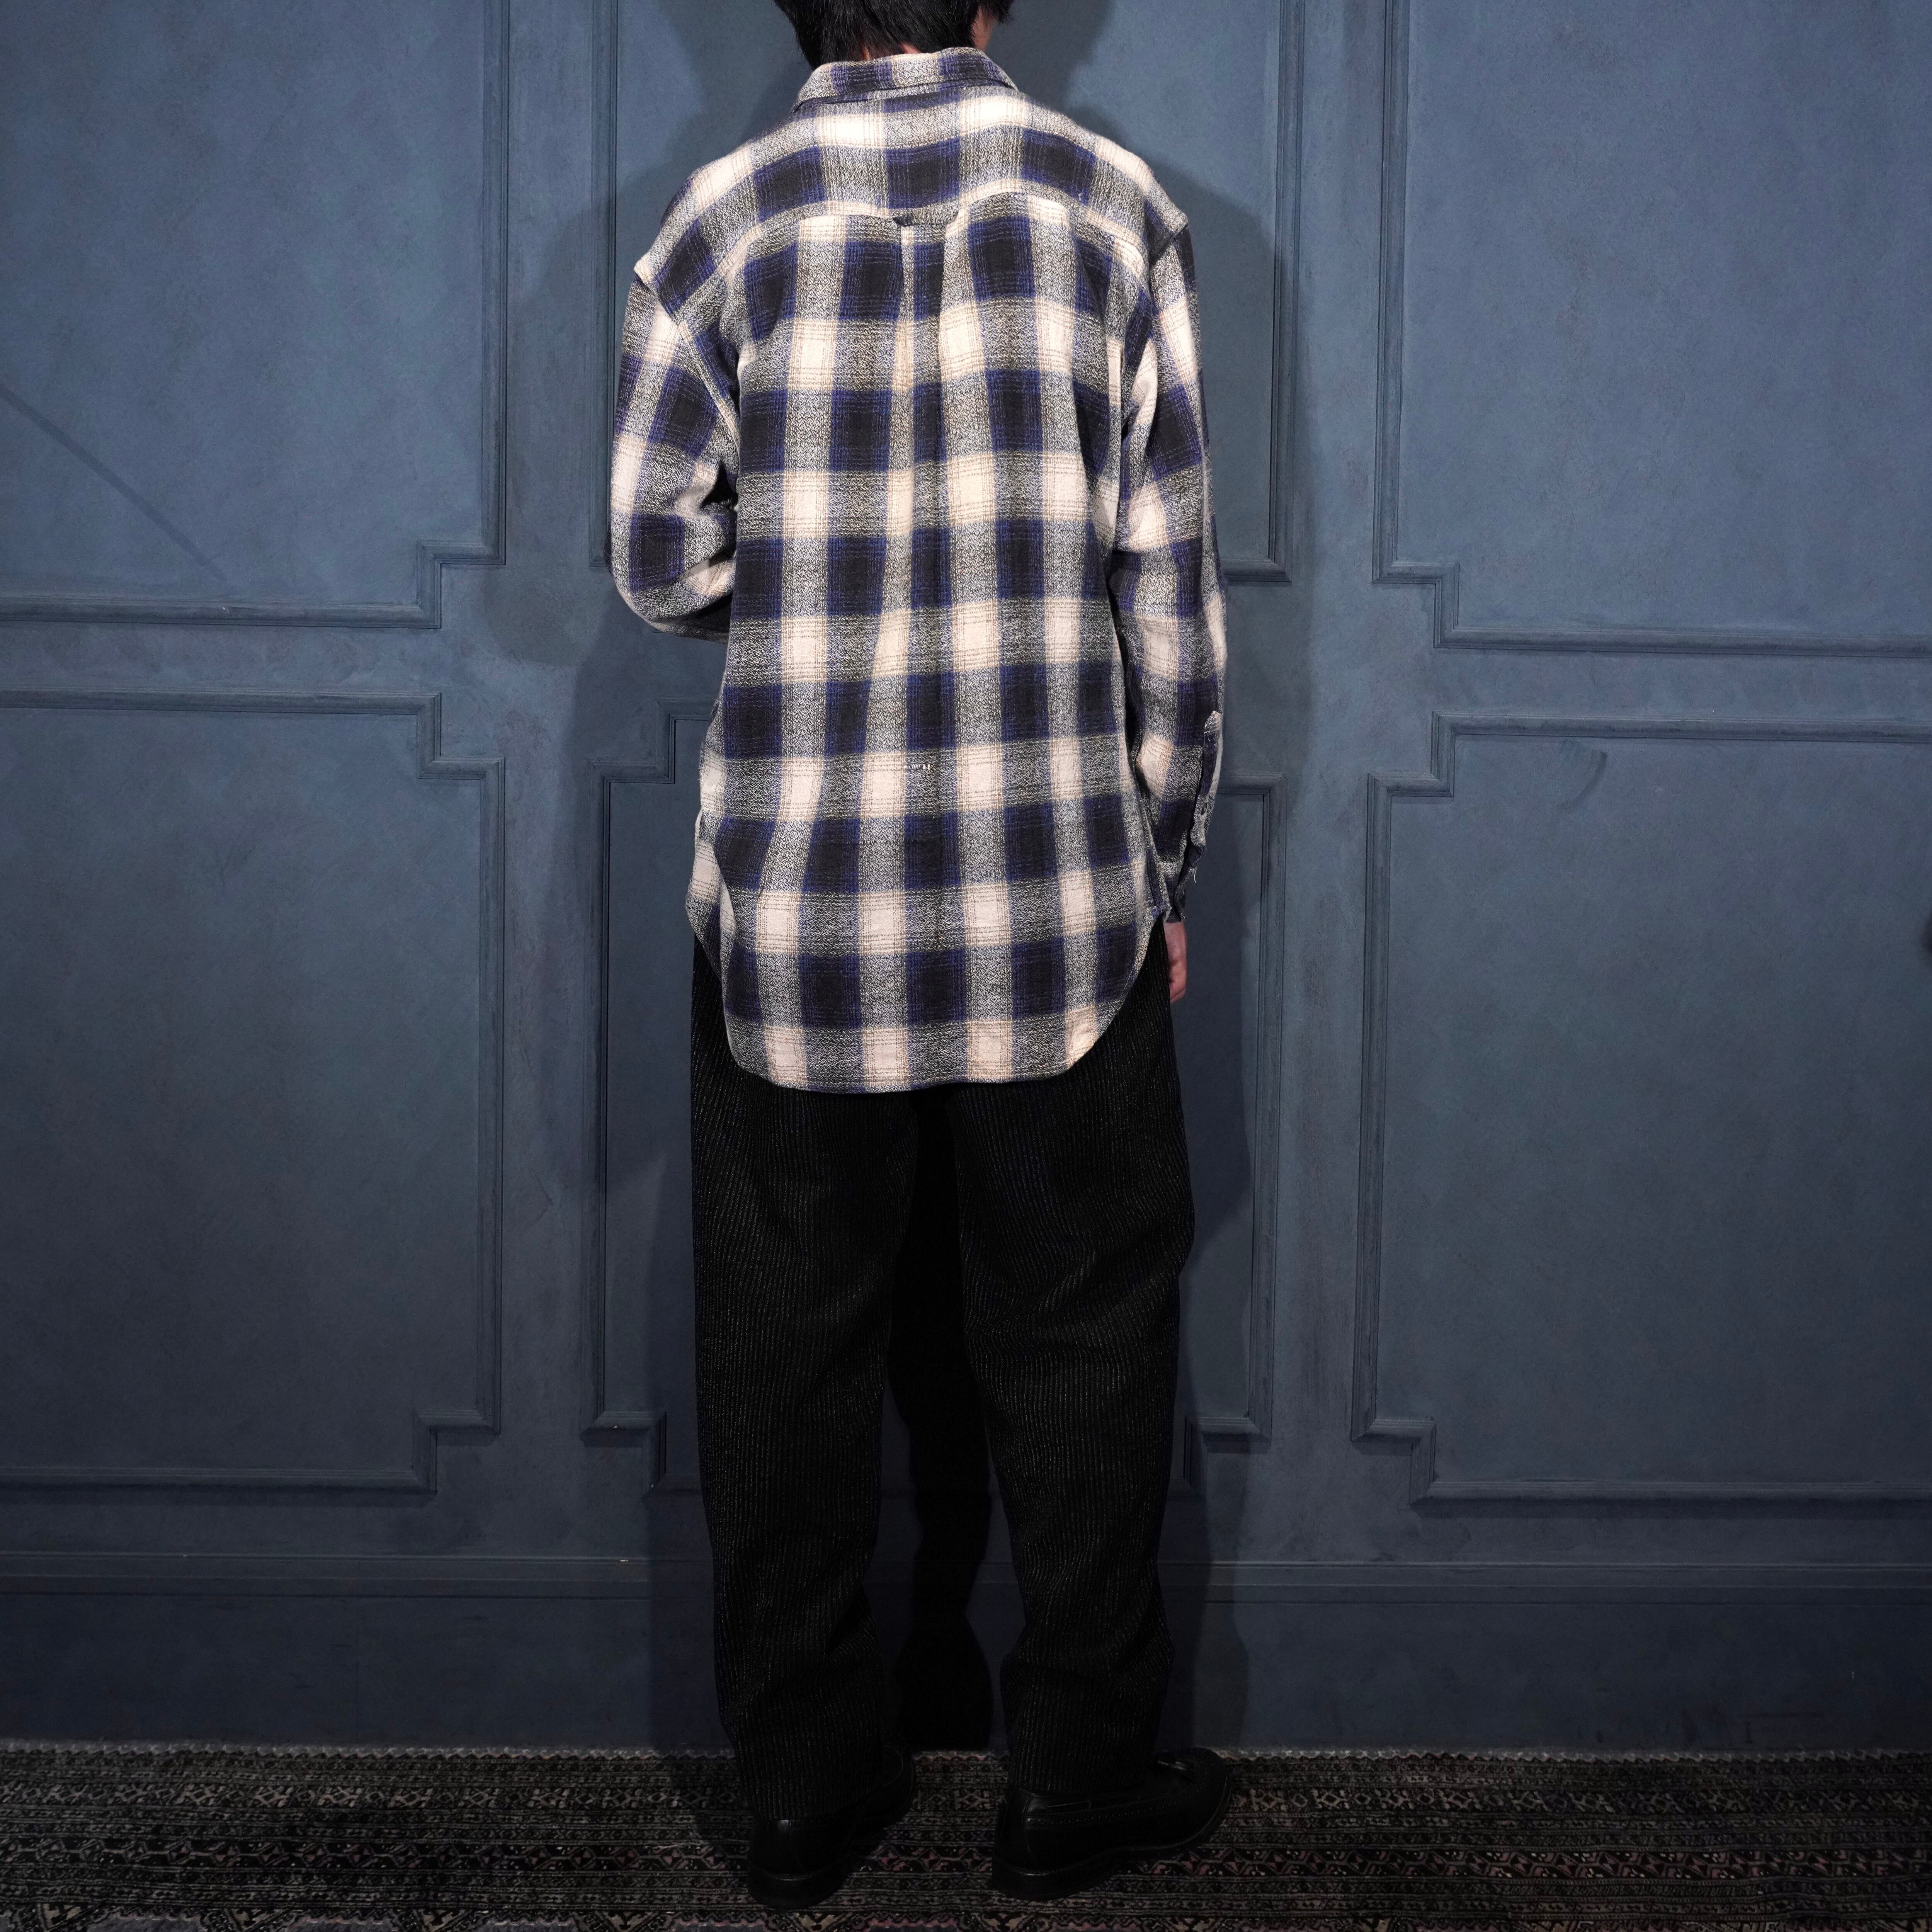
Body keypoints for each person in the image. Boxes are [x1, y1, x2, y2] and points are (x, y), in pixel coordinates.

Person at [609, 0, 1229, 1906]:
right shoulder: (1109, 209)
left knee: (785, 1359)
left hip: (798, 915)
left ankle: (805, 1792)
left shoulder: (714, 223)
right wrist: (1161, 857)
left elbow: (653, 557)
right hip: (1058, 908)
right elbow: (1170, 596)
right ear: (990, 2)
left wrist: (812, 579)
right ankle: (1076, 1777)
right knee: (1084, 1344)